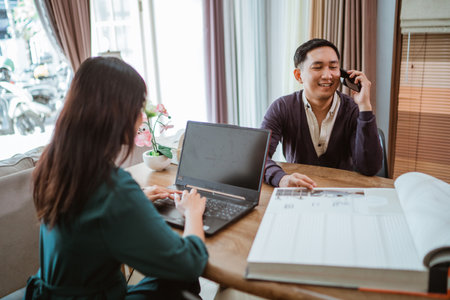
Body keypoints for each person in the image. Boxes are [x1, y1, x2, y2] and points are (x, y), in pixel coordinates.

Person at [26, 57, 208, 300]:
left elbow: (88, 218)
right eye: (138, 109)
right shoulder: (112, 188)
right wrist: (193, 212)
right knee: (182, 277)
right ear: (118, 115)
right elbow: (188, 263)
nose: (142, 119)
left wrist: (137, 200)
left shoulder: (55, 163)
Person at [261, 39, 382, 188]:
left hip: (340, 192)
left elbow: (369, 168)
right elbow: (259, 158)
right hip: (299, 191)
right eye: (317, 67)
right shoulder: (281, 108)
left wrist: (365, 106)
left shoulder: (352, 109)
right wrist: (281, 179)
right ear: (299, 75)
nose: (327, 75)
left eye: (333, 67)